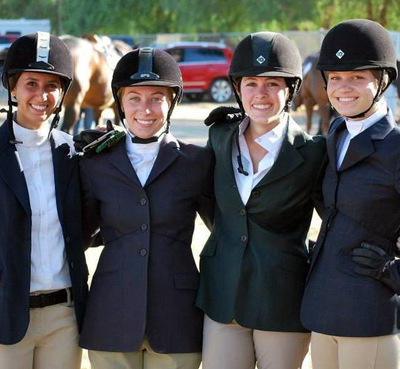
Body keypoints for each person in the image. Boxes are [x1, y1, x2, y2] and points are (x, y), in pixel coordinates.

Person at [76, 47, 214, 369]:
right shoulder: (96, 162)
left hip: (177, 316)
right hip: (111, 313)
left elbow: (227, 228)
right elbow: (80, 233)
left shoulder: (197, 161)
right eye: (134, 98)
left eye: (156, 98)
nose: (145, 109)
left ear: (172, 102)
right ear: (120, 103)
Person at [195, 32, 326, 369]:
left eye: (272, 84)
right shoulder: (219, 136)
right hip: (223, 292)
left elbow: (334, 216)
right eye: (251, 83)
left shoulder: (314, 152)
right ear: (237, 89)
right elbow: (211, 204)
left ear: (291, 89)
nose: (261, 94)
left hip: (282, 297)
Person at [300, 19, 400, 369]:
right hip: (323, 308)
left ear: (382, 80)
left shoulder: (396, 148)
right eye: (335, 77)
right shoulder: (337, 132)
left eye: (357, 76)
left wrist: (394, 270)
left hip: (368, 311)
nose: (343, 87)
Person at [0, 32, 88, 369]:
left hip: (63, 318)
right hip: (8, 312)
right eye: (31, 84)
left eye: (52, 86)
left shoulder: (73, 153)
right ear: (13, 87)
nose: (41, 95)